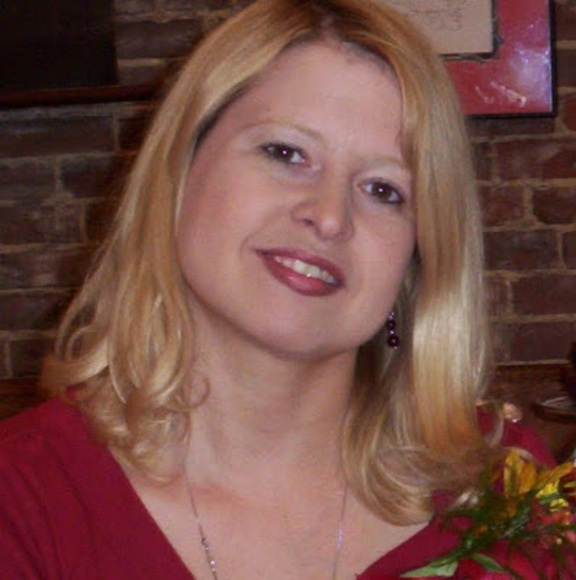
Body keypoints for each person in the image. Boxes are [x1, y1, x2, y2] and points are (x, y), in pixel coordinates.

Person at [0, 0, 554, 578]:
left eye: (383, 190)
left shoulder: (506, 496)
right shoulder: (23, 502)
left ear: (416, 258)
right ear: (179, 170)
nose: (329, 216)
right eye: (286, 153)